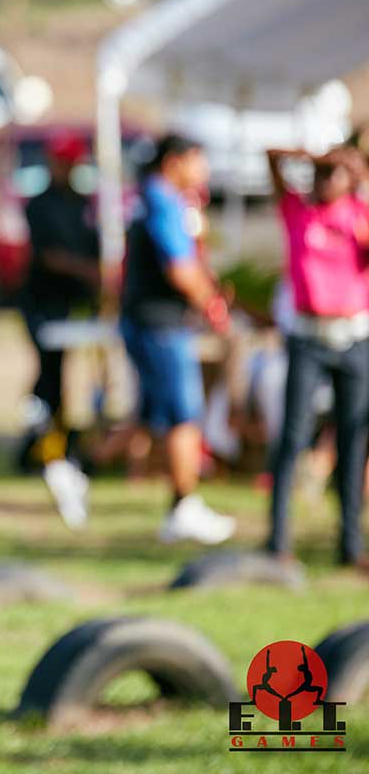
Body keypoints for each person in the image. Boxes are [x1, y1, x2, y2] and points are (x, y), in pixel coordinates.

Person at [120, 133, 236, 544]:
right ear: (175, 161)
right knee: (183, 416)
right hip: (160, 324)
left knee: (156, 418)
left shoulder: (163, 199)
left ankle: (69, 465)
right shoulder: (162, 200)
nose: (203, 171)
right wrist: (213, 305)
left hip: (155, 322)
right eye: (198, 160)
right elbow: (180, 269)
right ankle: (184, 506)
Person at [265, 145, 369, 570]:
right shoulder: (297, 211)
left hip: (354, 339)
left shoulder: (358, 216)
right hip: (308, 338)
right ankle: (277, 540)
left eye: (333, 174)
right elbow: (271, 159)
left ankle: (350, 544)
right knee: (292, 437)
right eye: (319, 174)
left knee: (353, 441)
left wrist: (355, 170)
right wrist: (309, 155)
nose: (325, 181)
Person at [15, 132, 100, 474]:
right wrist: (86, 270)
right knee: (48, 375)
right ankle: (38, 444)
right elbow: (47, 255)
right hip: (41, 299)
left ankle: (55, 441)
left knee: (60, 374)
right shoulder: (39, 204)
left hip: (72, 302)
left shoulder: (82, 203)